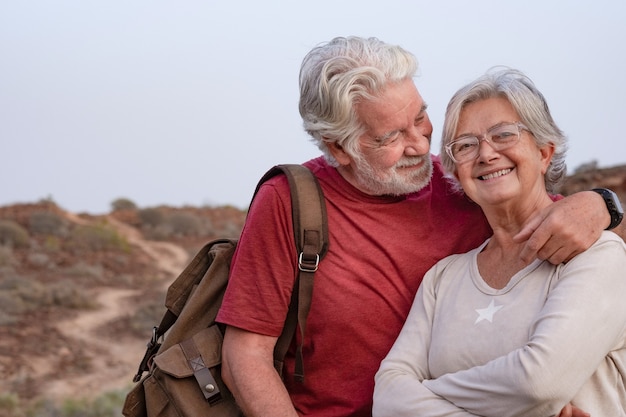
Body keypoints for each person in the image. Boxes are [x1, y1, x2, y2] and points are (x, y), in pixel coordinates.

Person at [216, 37, 617, 417]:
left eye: (421, 117)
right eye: (392, 136)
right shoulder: (289, 202)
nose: (422, 145)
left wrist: (604, 204)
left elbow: (569, 231)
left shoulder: (462, 180)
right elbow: (245, 357)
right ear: (338, 147)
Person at [373, 68, 626, 416]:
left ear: (543, 153)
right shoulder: (442, 279)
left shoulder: (598, 256)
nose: (486, 154)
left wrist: (422, 396)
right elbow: (387, 399)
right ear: (455, 171)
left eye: (504, 135)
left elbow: (538, 382)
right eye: (465, 145)